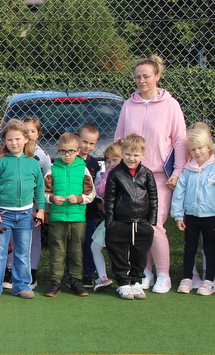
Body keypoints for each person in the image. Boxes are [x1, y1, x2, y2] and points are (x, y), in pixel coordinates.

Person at [113, 55, 187, 294]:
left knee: (154, 224)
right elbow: (119, 139)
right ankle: (143, 272)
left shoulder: (170, 105)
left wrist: (177, 171)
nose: (141, 81)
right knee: (136, 225)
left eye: (146, 76)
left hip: (159, 176)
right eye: (137, 77)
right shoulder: (128, 105)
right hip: (132, 176)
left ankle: (164, 274)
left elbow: (180, 140)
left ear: (157, 76)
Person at [0, 119, 45, 300]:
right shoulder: (0, 163)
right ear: (4, 141)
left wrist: (41, 210)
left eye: (18, 139)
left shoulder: (33, 163)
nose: (14, 143)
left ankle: (21, 285)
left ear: (26, 139)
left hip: (26, 215)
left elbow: (39, 189)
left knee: (23, 252)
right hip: (3, 215)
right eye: (9, 139)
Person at [171, 128, 215, 296]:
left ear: (209, 148)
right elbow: (179, 193)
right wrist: (178, 215)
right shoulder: (187, 170)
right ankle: (187, 278)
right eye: (193, 149)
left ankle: (209, 280)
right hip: (191, 217)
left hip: (210, 217)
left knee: (209, 249)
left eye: (200, 148)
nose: (197, 152)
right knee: (189, 248)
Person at [105, 134, 158, 300]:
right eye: (127, 154)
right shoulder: (116, 174)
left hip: (142, 222)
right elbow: (110, 199)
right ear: (122, 153)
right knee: (119, 253)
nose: (131, 158)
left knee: (139, 254)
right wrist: (110, 223)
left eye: (135, 155)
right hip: (120, 222)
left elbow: (153, 197)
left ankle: (136, 282)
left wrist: (151, 221)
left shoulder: (147, 174)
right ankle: (123, 283)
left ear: (143, 155)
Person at [44, 132, 96, 298]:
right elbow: (43, 193)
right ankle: (55, 281)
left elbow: (91, 194)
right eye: (63, 151)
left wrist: (79, 199)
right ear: (58, 151)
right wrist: (52, 199)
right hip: (57, 217)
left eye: (71, 151)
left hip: (77, 218)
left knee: (76, 251)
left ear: (78, 151)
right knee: (57, 251)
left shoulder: (83, 169)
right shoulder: (52, 169)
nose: (67, 155)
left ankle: (76, 281)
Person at [90, 141, 122, 292]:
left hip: (122, 220)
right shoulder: (107, 174)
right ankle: (103, 277)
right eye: (108, 161)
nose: (111, 164)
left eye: (115, 159)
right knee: (95, 246)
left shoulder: (126, 175)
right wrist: (105, 176)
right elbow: (100, 190)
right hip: (109, 219)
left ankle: (127, 277)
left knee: (122, 250)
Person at [77, 123, 102, 288]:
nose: (87, 146)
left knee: (89, 242)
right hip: (72, 209)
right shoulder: (70, 159)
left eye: (92, 143)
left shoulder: (94, 163)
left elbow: (98, 185)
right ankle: (72, 273)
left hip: (89, 211)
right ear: (77, 139)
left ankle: (88, 273)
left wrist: (99, 201)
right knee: (72, 243)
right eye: (84, 141)